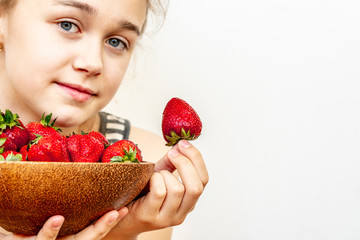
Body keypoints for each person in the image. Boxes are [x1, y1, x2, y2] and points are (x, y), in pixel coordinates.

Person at [0, 0, 209, 239]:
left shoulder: (142, 167)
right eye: (68, 25)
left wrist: (122, 227)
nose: (93, 63)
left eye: (116, 42)